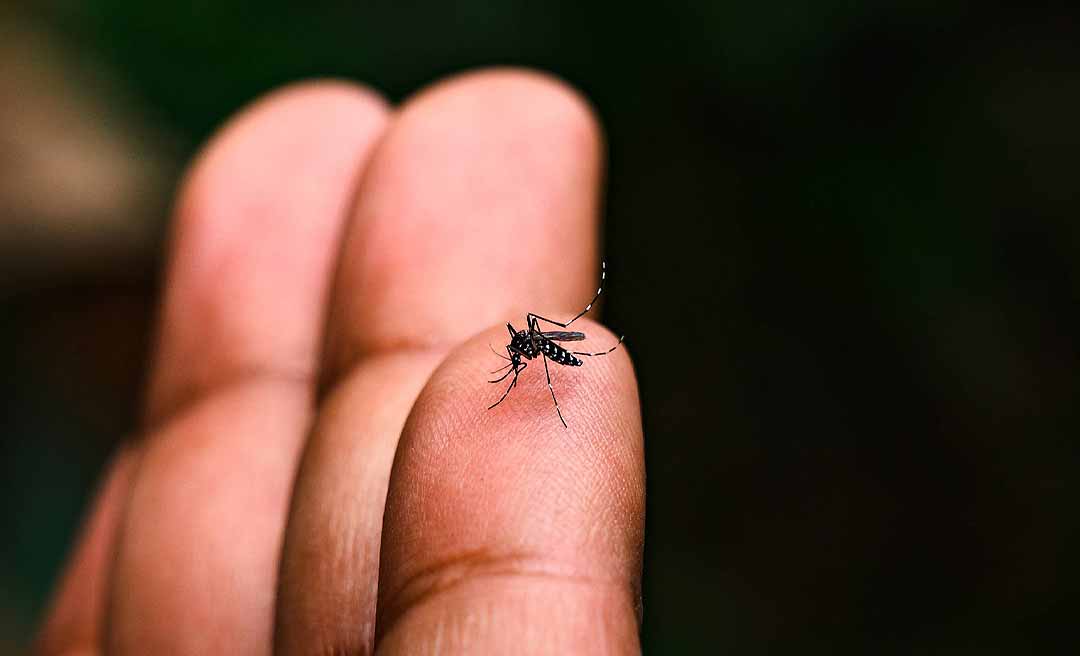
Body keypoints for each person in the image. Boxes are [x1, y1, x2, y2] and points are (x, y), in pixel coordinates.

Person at [35, 68, 646, 654]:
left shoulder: (537, 351)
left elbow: (535, 351)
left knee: (540, 344)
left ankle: (581, 340)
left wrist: (542, 365)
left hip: (563, 355)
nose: (520, 353)